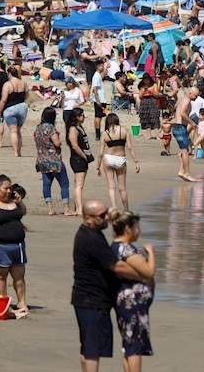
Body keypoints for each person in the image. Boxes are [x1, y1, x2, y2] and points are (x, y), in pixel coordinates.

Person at [72, 199, 142, 372]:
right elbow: (117, 266)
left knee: (88, 347)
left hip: (88, 299)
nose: (106, 218)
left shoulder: (91, 232)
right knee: (92, 350)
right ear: (88, 218)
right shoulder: (90, 238)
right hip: (91, 300)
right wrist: (144, 274)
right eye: (102, 216)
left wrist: (112, 214)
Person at [108, 209, 155, 372]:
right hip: (132, 303)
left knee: (128, 344)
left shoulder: (116, 247)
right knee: (134, 345)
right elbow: (148, 272)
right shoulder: (125, 249)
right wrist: (151, 253)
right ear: (128, 229)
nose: (139, 231)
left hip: (127, 302)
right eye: (137, 227)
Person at [34, 107, 73, 215]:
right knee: (64, 184)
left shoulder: (38, 128)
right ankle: (66, 209)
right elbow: (56, 143)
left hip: (42, 160)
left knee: (46, 184)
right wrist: (60, 143)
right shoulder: (50, 128)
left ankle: (50, 209)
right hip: (54, 160)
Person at [0, 174, 28, 319]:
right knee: (1, 277)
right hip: (1, 246)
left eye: (10, 188)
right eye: (6, 188)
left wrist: (20, 202)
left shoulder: (14, 202)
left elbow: (23, 212)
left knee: (19, 277)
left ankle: (22, 303)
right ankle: (4, 304)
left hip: (18, 246)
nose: (9, 191)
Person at [97, 114, 140, 210]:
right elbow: (129, 147)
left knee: (111, 186)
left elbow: (101, 153)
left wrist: (98, 166)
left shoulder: (105, 133)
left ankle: (114, 207)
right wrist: (136, 162)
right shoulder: (124, 130)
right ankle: (126, 209)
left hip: (108, 159)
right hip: (120, 159)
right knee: (122, 188)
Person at [67, 108, 94, 216]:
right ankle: (79, 209)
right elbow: (74, 145)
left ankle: (75, 208)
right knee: (79, 185)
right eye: (82, 115)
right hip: (77, 159)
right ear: (77, 116)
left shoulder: (79, 127)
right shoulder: (73, 129)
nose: (84, 117)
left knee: (78, 184)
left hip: (81, 159)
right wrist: (84, 156)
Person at [0, 65, 28, 157]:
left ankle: (15, 152)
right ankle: (19, 152)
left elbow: (3, 100)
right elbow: (27, 96)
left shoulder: (8, 84)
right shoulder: (23, 83)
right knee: (18, 131)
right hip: (22, 107)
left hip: (10, 109)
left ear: (10, 73)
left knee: (13, 131)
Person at [173, 85, 199, 181]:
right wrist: (192, 123)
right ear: (190, 93)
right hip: (179, 127)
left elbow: (176, 108)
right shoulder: (187, 100)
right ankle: (187, 173)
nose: (196, 98)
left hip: (178, 126)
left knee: (185, 150)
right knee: (185, 151)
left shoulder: (183, 99)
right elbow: (182, 113)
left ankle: (181, 171)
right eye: (195, 96)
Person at [90, 59, 108, 141]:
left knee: (100, 116)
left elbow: (103, 74)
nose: (102, 67)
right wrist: (98, 100)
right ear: (97, 66)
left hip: (101, 99)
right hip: (99, 99)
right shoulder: (96, 76)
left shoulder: (98, 75)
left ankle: (99, 133)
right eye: (101, 66)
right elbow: (95, 89)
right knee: (98, 117)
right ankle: (98, 134)